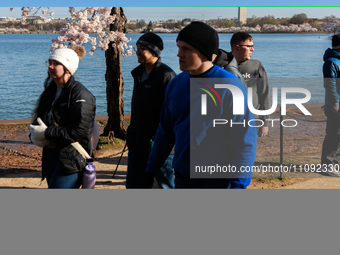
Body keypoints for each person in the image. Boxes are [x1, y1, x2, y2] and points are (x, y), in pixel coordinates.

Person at [143, 22, 257, 189]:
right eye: (178, 47)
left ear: (205, 53)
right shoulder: (176, 84)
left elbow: (245, 140)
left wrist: (238, 184)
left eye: (186, 49)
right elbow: (165, 132)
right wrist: (151, 169)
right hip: (183, 178)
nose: (179, 54)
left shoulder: (230, 86)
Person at [29, 46, 96, 189]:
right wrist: (34, 132)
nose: (51, 66)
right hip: (52, 158)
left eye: (56, 63)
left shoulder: (81, 95)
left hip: (70, 163)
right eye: (50, 62)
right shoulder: (51, 91)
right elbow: (43, 118)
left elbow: (80, 131)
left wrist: (46, 133)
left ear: (68, 68)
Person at [126, 32, 176, 189]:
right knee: (134, 184)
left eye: (142, 48)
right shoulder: (138, 74)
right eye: (137, 47)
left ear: (154, 51)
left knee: (163, 185)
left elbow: (170, 113)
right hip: (136, 141)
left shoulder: (166, 76)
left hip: (157, 142)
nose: (137, 51)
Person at [230, 31, 271, 138]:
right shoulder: (223, 65)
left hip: (252, 119)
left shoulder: (257, 65)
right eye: (249, 46)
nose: (252, 49)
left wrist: (265, 122)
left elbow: (265, 94)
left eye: (252, 46)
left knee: (247, 152)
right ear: (237, 47)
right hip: (227, 119)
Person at [321, 34, 340, 165]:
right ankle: (328, 164)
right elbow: (330, 84)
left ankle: (336, 163)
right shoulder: (331, 62)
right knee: (334, 134)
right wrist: (334, 103)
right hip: (336, 104)